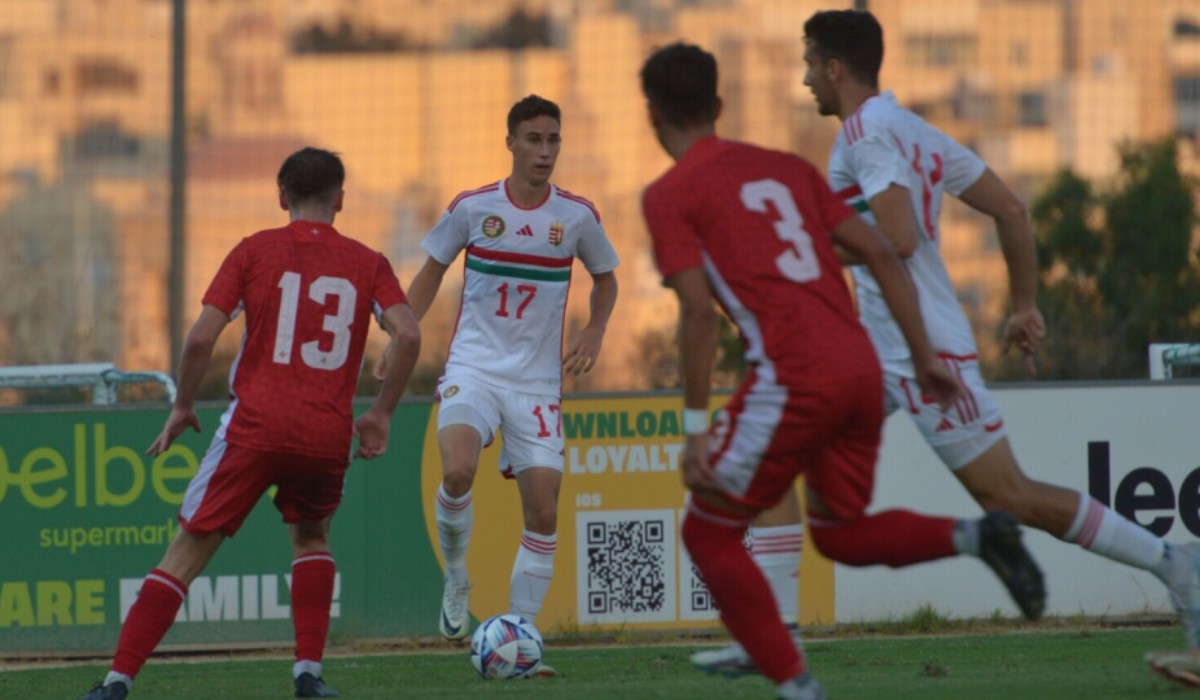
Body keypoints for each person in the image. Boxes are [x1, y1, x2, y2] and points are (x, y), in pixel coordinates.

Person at [692, 7, 1200, 682]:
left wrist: (799, 254)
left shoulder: (866, 134)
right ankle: (771, 633)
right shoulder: (910, 128)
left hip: (921, 353)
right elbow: (1010, 209)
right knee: (773, 456)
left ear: (835, 68)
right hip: (873, 354)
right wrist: (1023, 305)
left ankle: (1177, 565)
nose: (805, 78)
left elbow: (898, 239)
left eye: (810, 63)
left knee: (1011, 496)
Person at [639, 42, 1045, 700]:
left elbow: (695, 313)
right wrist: (923, 358)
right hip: (861, 368)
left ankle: (798, 686)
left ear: (652, 116)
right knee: (839, 533)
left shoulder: (669, 194)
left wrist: (693, 430)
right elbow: (884, 253)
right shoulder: (786, 168)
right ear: (719, 105)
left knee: (706, 532)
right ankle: (978, 535)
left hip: (794, 376)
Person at [77, 147, 422, 700]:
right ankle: (308, 674)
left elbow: (199, 339)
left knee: (185, 553)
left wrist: (183, 405)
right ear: (340, 199)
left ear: (282, 197)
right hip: (325, 432)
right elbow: (407, 334)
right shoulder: (369, 262)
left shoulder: (254, 251)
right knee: (312, 539)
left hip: (255, 426)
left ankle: (117, 683)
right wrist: (381, 413)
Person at [385, 94, 618, 676]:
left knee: (542, 512)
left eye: (553, 140)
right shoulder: (474, 208)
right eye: (534, 139)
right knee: (458, 471)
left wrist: (594, 329)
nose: (545, 151)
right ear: (510, 142)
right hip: (474, 368)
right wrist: (399, 334)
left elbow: (607, 279)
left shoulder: (577, 217)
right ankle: (456, 576)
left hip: (536, 384)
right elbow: (431, 271)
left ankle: (521, 639)